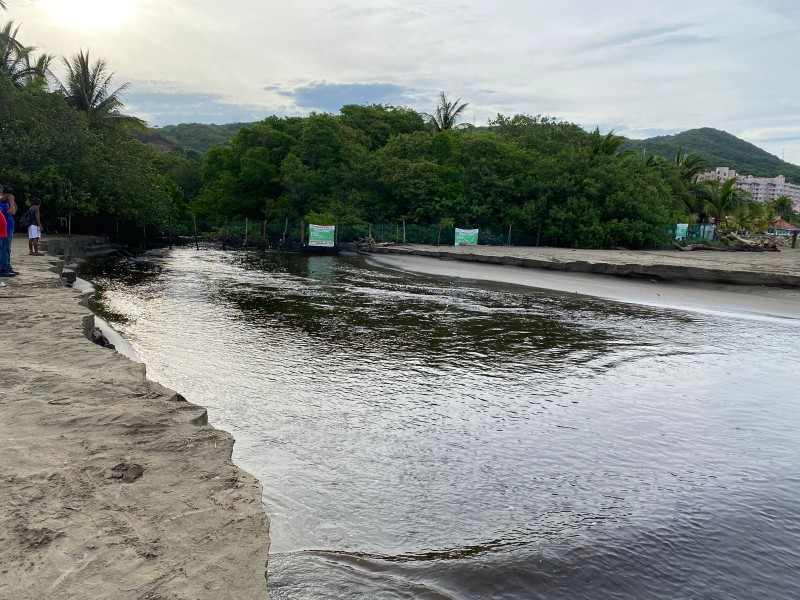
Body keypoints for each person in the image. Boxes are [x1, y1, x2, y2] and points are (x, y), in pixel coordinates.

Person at [0, 185, 18, 276]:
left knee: (7, 250)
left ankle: (7, 266)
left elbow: (15, 210)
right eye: (8, 195)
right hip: (5, 230)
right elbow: (12, 212)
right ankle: (3, 268)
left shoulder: (6, 203)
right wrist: (11, 201)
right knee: (4, 250)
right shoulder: (1, 204)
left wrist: (12, 201)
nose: (9, 196)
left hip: (9, 229)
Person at [0, 195, 8, 283]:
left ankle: (2, 269)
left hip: (3, 234)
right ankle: (1, 269)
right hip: (1, 234)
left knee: (3, 253)